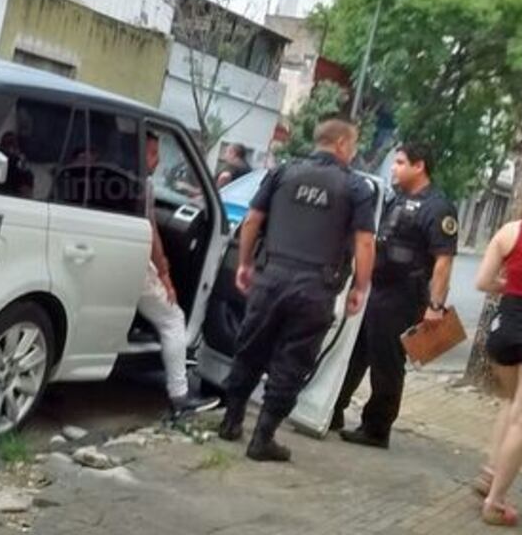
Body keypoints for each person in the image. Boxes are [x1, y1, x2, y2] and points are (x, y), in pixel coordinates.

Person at [217, 117, 376, 462]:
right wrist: (360, 288)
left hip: (271, 276)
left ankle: (230, 421)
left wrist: (245, 263)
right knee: (292, 362)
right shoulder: (355, 187)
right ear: (341, 145)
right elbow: (365, 242)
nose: (354, 151)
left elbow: (252, 221)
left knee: (250, 349)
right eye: (354, 145)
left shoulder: (282, 173)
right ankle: (262, 438)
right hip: (315, 289)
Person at [334, 144, 457, 449]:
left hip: (404, 295)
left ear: (420, 166)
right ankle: (333, 408)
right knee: (356, 352)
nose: (393, 167)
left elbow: (443, 261)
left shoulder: (437, 207)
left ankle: (377, 428)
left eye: (400, 162)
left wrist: (435, 306)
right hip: (380, 288)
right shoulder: (398, 198)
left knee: (386, 361)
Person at [138, 131, 219, 418]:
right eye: (151, 153)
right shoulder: (142, 183)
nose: (157, 161)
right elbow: (150, 235)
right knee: (174, 319)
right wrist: (165, 275)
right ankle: (180, 396)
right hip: (134, 263)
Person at [472, 210, 522, 526]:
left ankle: (491, 471)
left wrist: (507, 282)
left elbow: (482, 281)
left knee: (509, 402)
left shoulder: (510, 232)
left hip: (504, 328)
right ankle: (495, 502)